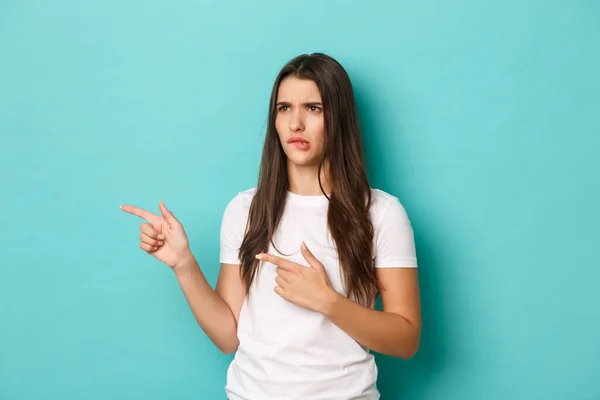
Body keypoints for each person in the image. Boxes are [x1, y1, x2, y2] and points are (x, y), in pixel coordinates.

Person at [121, 53, 421, 400]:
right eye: (284, 108)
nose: (296, 123)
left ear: (338, 118)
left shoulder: (381, 213)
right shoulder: (245, 209)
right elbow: (227, 337)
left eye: (313, 108)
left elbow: (406, 339)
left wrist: (327, 301)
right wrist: (184, 265)